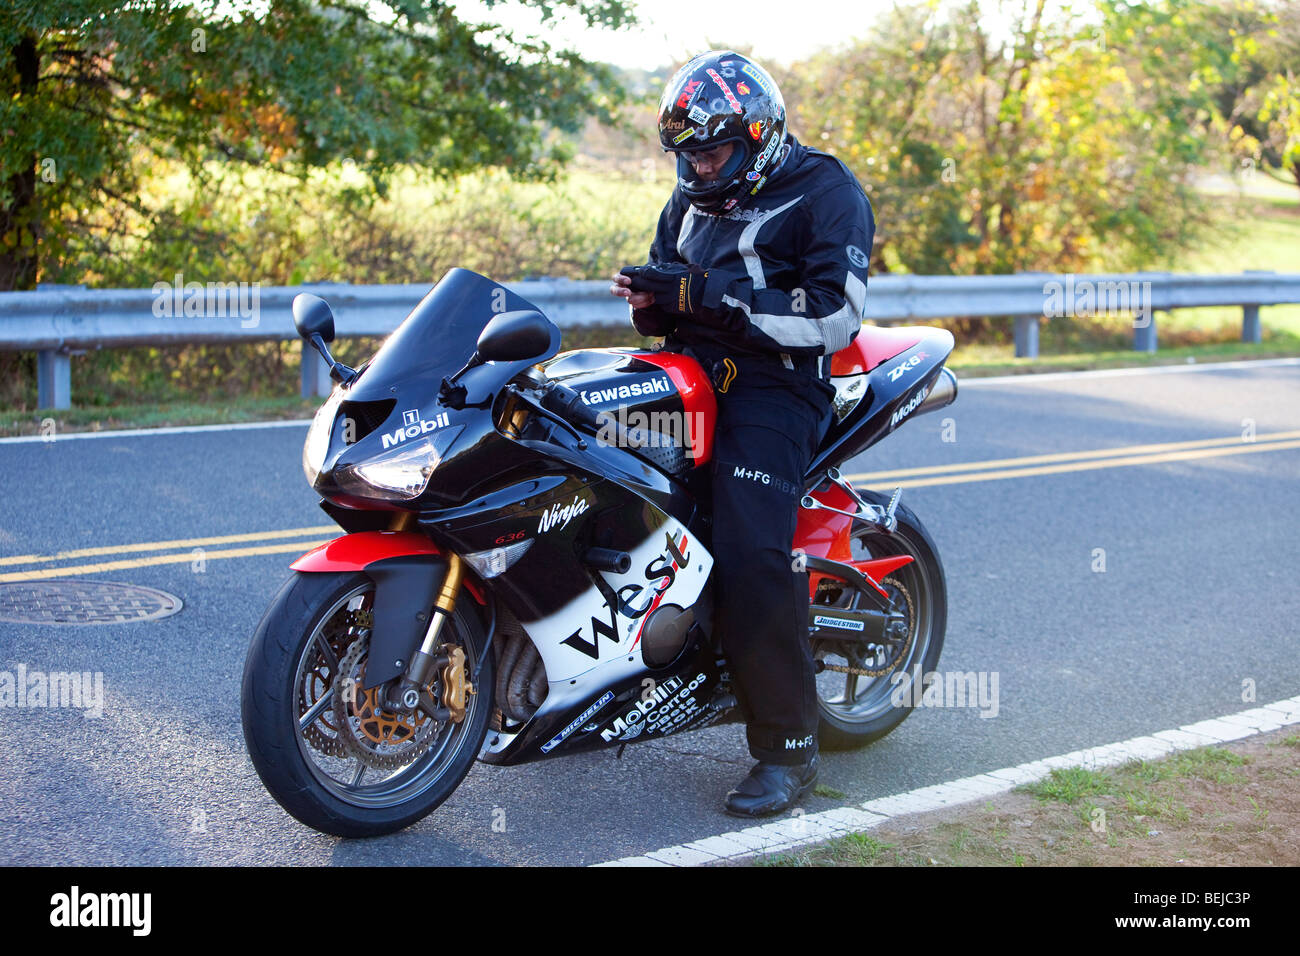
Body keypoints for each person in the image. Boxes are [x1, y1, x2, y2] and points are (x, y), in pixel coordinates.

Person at [610, 50, 876, 816]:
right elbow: (673, 287)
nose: (699, 167)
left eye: (714, 151)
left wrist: (707, 294)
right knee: (589, 473)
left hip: (778, 387)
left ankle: (789, 751)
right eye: (687, 154)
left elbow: (832, 315)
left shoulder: (826, 190)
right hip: (687, 376)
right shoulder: (687, 200)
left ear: (760, 135)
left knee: (753, 549)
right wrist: (652, 302)